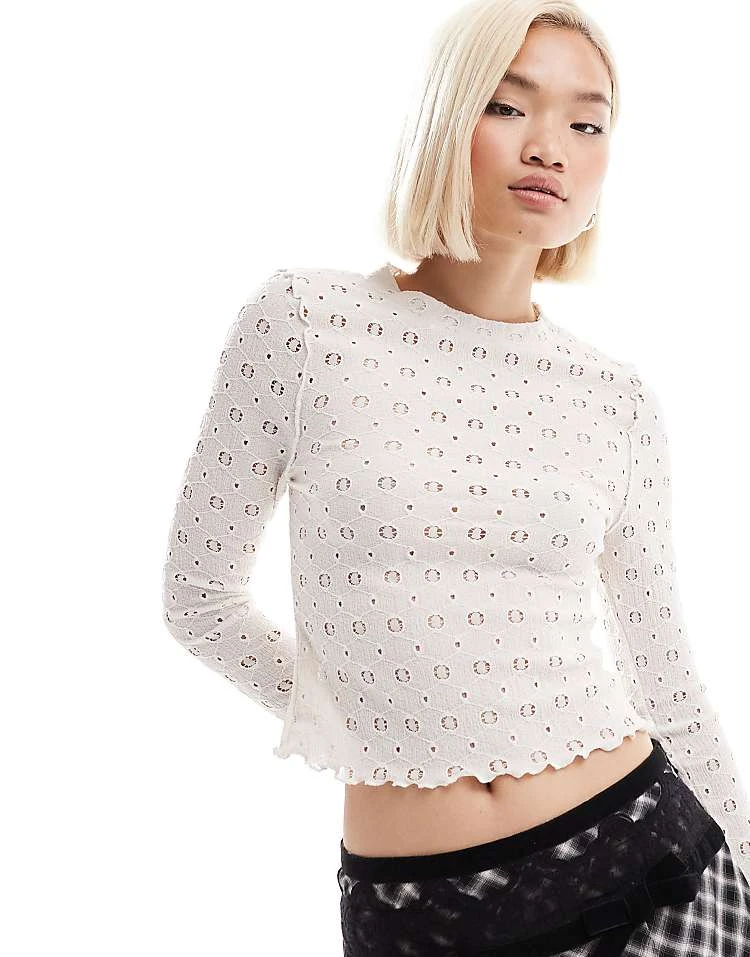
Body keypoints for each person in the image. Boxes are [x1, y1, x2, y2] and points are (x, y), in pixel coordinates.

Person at [160, 1, 750, 954]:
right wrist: (367, 722)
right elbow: (198, 600)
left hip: (649, 859)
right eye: (508, 106)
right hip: (421, 907)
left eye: (587, 122)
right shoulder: (305, 324)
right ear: (443, 117)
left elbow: (667, 681)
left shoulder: (615, 398)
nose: (549, 146)